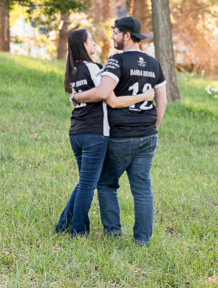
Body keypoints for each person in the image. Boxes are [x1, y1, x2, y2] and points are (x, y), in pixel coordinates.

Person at [73, 16, 167, 245]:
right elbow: (162, 103)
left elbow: (105, 94)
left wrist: (76, 96)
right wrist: (151, 128)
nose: (112, 37)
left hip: (121, 135)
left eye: (115, 32)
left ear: (127, 35)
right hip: (148, 136)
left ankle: (113, 233)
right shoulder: (154, 63)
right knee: (143, 189)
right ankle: (142, 240)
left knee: (105, 183)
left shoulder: (116, 61)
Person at [56, 28, 154, 237]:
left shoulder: (69, 75)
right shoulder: (94, 69)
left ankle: (63, 224)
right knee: (88, 184)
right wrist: (143, 95)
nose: (94, 43)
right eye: (91, 40)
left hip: (76, 133)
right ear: (83, 45)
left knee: (85, 181)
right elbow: (108, 95)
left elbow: (75, 105)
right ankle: (78, 231)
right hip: (95, 134)